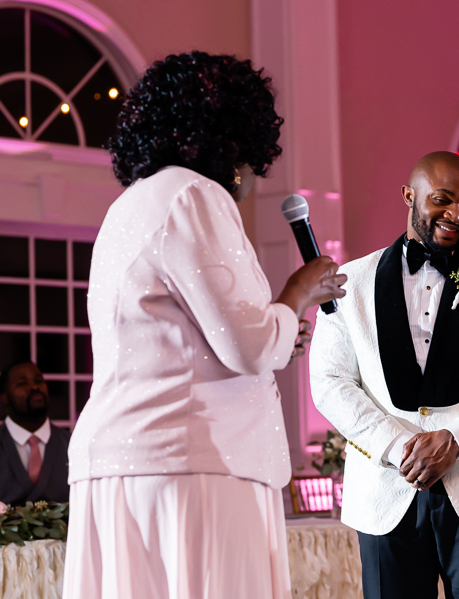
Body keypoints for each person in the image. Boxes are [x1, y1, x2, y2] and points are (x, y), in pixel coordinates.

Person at [63, 52, 346, 599]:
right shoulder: (194, 194)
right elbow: (248, 345)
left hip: (121, 461)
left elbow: (175, 338)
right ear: (232, 136)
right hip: (194, 462)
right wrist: (298, 293)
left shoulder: (127, 207)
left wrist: (278, 330)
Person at [309, 151, 459, 599]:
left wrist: (457, 438)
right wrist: (398, 447)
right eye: (442, 199)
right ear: (409, 195)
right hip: (383, 493)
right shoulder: (349, 282)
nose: (456, 214)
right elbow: (329, 382)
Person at [0, 361, 70, 505]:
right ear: (4, 397)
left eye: (38, 381)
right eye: (22, 383)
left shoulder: (72, 444)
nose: (34, 387)